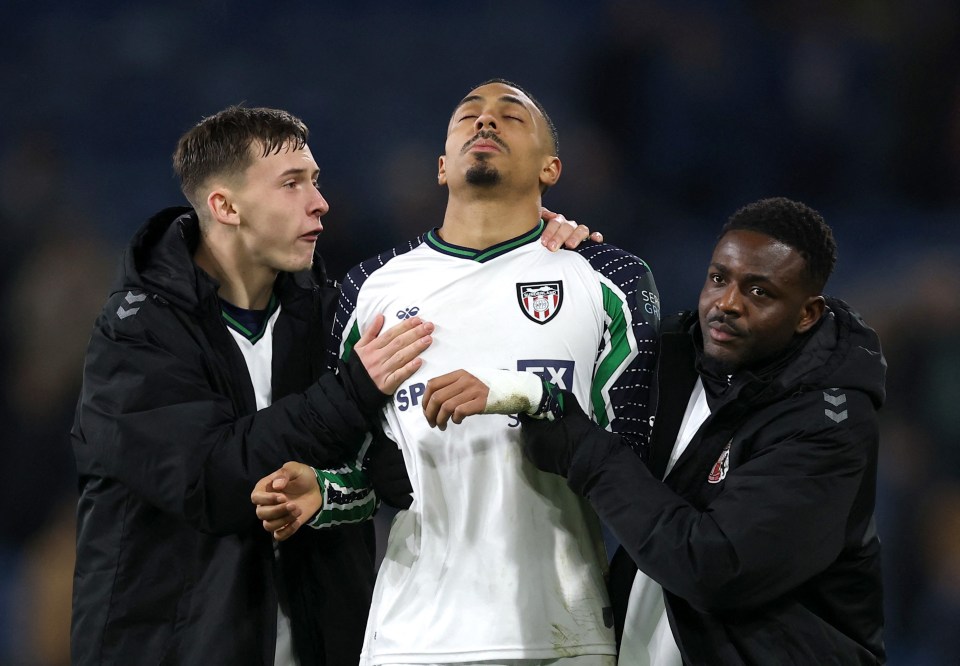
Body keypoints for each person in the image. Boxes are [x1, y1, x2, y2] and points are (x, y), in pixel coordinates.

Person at [70, 104, 595, 666]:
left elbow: (400, 475)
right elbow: (210, 479)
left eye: (315, 181)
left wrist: (525, 244)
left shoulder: (335, 315)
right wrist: (351, 392)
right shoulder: (136, 335)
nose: (319, 202)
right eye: (292, 184)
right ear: (225, 206)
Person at [254, 79, 660, 665]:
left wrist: (522, 396)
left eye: (511, 116)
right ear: (442, 167)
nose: (486, 122)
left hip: (558, 635)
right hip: (410, 639)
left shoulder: (609, 280)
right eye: (468, 116)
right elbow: (367, 468)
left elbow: (632, 460)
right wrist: (322, 493)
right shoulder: (369, 290)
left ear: (552, 169)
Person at [521, 197, 886, 664]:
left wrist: (589, 457)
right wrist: (554, 254)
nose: (727, 304)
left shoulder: (829, 423)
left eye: (760, 292)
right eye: (719, 279)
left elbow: (714, 568)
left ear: (806, 315)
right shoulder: (670, 355)